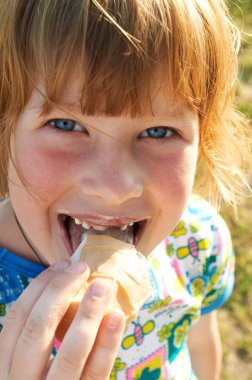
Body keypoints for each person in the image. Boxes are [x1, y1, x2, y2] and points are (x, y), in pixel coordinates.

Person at [0, 0, 250, 379]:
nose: (115, 188)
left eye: (159, 132)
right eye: (66, 125)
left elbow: (200, 338)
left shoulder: (196, 243)